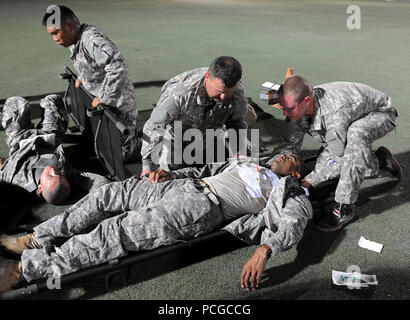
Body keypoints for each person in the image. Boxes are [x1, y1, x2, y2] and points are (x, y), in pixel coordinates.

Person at [0, 153, 312, 293]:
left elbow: (293, 224)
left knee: (115, 232)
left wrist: (266, 249)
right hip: (183, 187)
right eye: (285, 152)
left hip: (201, 208)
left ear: (296, 173)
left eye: (293, 158)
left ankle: (24, 269)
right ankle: (38, 236)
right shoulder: (248, 162)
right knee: (108, 194)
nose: (285, 155)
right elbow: (203, 169)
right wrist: (172, 174)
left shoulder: (290, 191)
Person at [270, 75, 401, 232]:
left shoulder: (335, 116)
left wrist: (309, 180)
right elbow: (288, 143)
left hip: (380, 113)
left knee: (355, 138)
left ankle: (344, 207)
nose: (285, 113)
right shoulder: (296, 104)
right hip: (350, 114)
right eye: (283, 107)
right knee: (331, 160)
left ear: (306, 101)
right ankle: (379, 162)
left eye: (289, 109)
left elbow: (338, 155)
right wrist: (275, 169)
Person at [42, 5, 140, 161]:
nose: (54, 38)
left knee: (121, 154)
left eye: (55, 33)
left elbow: (118, 65)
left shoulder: (91, 40)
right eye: (51, 34)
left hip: (119, 104)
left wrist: (106, 97)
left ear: (70, 26)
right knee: (101, 142)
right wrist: (83, 76)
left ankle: (154, 142)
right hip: (103, 101)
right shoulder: (74, 39)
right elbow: (90, 62)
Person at [140, 56, 249, 176]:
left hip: (209, 135)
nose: (223, 98)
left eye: (228, 93)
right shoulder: (180, 95)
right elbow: (154, 127)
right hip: (177, 138)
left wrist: (238, 152)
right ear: (207, 77)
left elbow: (236, 123)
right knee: (170, 174)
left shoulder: (238, 93)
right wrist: (148, 165)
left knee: (222, 170)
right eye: (219, 92)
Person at [0, 95, 109, 205]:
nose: (53, 170)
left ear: (40, 188)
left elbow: (2, 166)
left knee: (16, 102)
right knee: (53, 99)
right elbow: (99, 182)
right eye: (59, 174)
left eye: (50, 176)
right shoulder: (66, 173)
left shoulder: (17, 182)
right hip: (49, 136)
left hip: (21, 138)